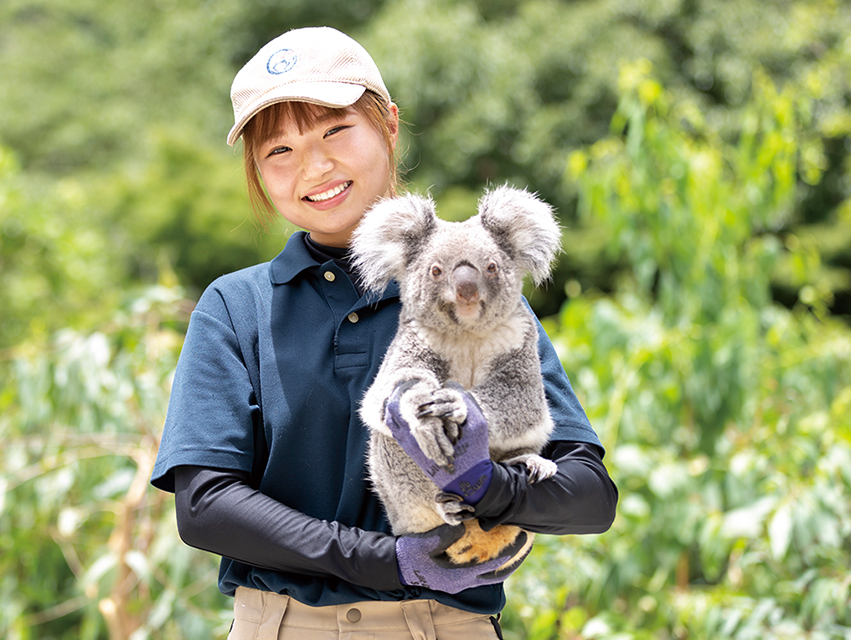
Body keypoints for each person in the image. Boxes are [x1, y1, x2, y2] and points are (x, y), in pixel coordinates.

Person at [150, 26, 617, 640]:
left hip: (445, 627)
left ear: (389, 125)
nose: (313, 167)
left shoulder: (476, 294)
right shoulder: (238, 307)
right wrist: (384, 561)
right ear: (257, 171)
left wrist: (488, 483)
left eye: (334, 131)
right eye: (278, 151)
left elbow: (588, 496)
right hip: (284, 627)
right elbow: (205, 507)